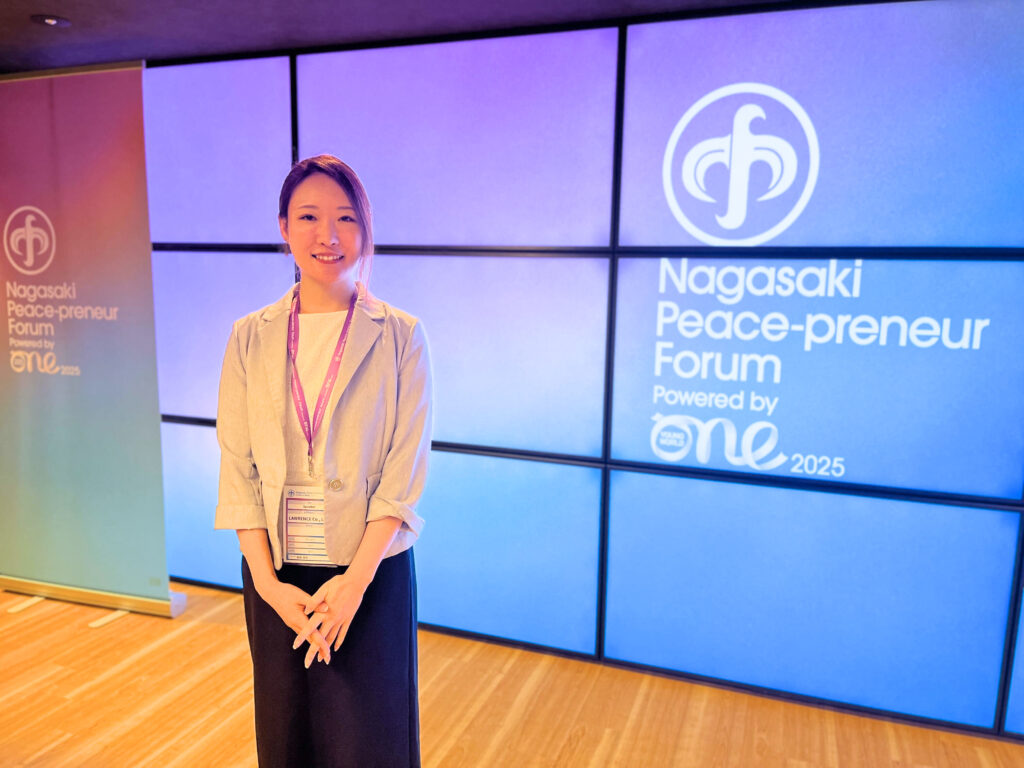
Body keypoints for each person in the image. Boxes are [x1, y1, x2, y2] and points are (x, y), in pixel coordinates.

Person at [215, 154, 432, 768]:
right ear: (284, 227)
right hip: (278, 578)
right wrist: (267, 586)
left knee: (370, 743)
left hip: (368, 573)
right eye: (308, 216)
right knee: (287, 741)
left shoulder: (401, 335)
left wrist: (355, 583)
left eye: (345, 218)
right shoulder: (249, 336)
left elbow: (403, 475)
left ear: (365, 228)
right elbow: (237, 469)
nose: (327, 235)